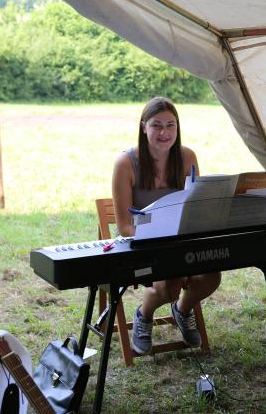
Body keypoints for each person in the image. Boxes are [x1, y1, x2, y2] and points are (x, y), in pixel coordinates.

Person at [111, 96, 222, 355]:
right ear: (143, 127)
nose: (164, 132)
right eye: (156, 125)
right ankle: (144, 314)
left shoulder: (187, 157)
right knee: (169, 286)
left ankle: (182, 311)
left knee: (211, 277)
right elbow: (125, 226)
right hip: (143, 243)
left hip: (180, 241)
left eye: (170, 125)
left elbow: (195, 211)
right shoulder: (125, 163)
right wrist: (163, 247)